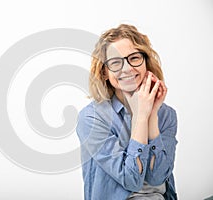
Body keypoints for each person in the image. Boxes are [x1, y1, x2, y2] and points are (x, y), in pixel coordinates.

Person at [76, 24, 178, 200]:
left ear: (145, 62)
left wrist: (151, 114)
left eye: (134, 58)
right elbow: (131, 180)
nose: (127, 68)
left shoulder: (166, 115)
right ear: (105, 73)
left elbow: (158, 177)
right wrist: (140, 116)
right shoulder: (91, 118)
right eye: (115, 62)